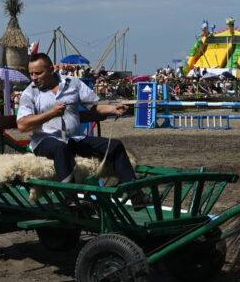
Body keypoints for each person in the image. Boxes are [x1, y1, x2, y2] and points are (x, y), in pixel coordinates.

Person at [12, 53, 149, 207]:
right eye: (31, 73)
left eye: (38, 73)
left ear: (51, 69)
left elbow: (94, 107)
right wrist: (51, 113)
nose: (34, 77)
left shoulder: (73, 83)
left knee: (115, 145)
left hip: (73, 138)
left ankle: (137, 197)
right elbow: (22, 125)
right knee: (60, 147)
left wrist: (113, 109)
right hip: (45, 141)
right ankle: (70, 200)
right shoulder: (29, 93)